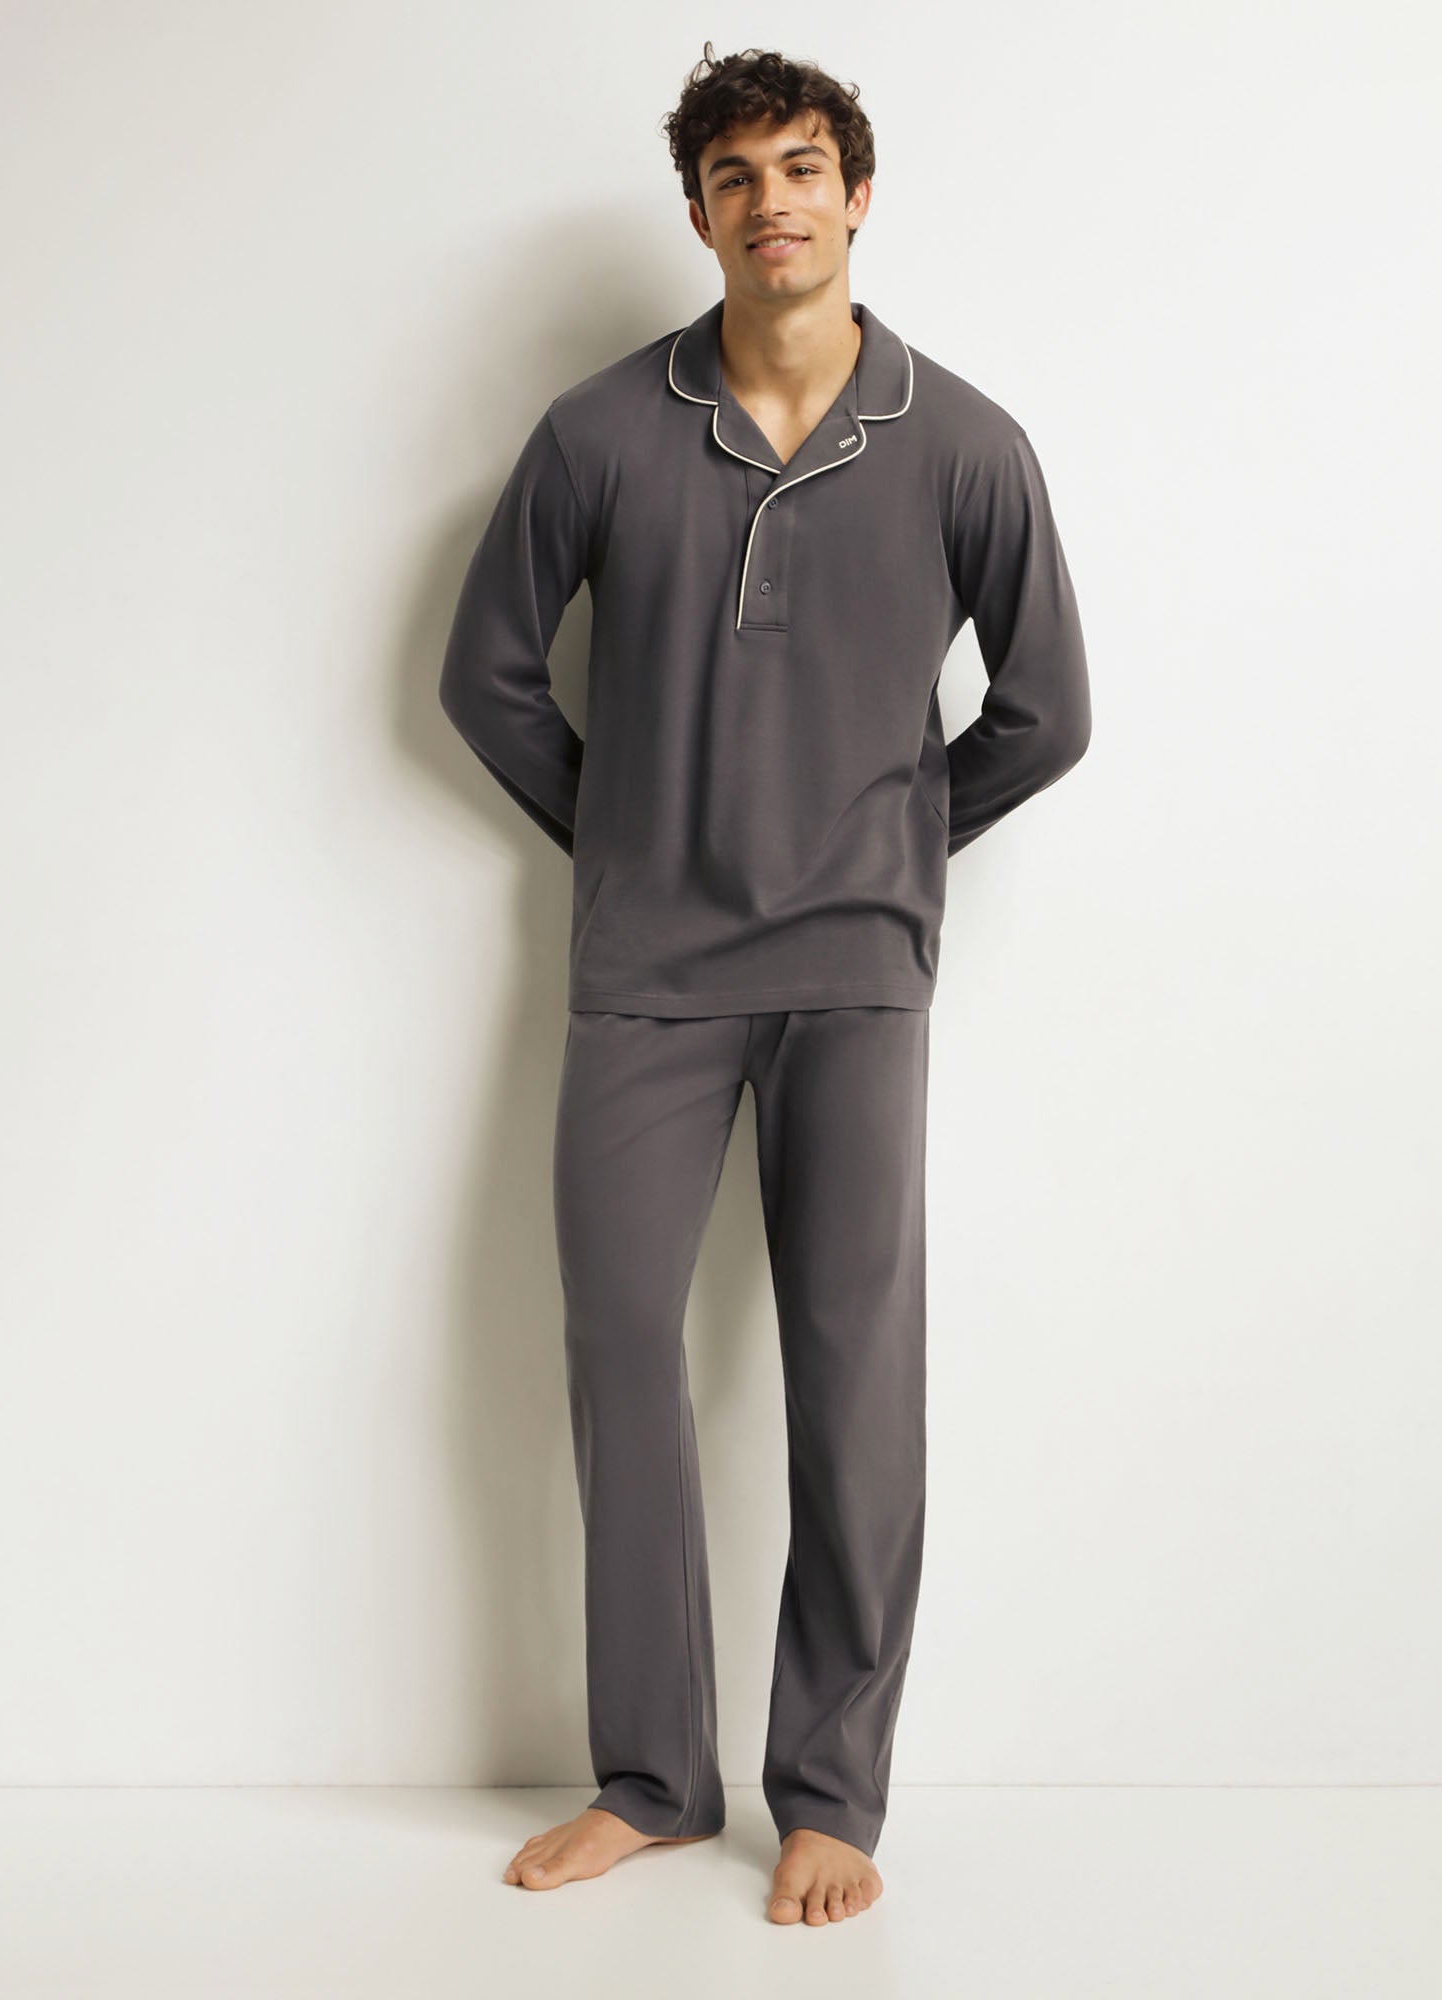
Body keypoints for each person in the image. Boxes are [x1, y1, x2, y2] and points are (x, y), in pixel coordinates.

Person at [438, 42, 1091, 1927]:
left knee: (853, 1377)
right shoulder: (597, 435)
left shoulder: (965, 443)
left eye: (803, 168)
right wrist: (630, 836)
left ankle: (832, 1793)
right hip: (647, 972)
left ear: (856, 196)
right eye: (736, 178)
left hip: (857, 978)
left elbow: (1048, 711)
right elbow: (488, 676)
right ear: (701, 215)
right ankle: (653, 1778)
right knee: (618, 1350)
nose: (772, 202)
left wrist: (889, 844)